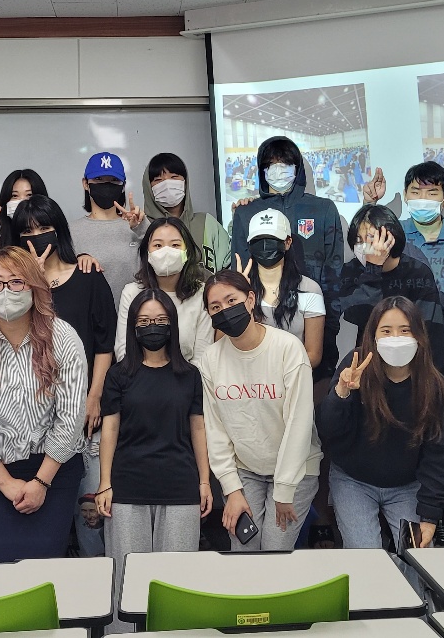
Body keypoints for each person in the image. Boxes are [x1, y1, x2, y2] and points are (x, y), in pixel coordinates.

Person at [333, 203, 444, 545]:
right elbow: (357, 314)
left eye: (374, 237)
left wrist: (428, 380)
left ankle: (437, 521)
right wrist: (372, 269)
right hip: (369, 369)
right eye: (360, 239)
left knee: (425, 441)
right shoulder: (353, 270)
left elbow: (430, 329)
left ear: (392, 236)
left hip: (415, 370)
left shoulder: (417, 270)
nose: (367, 245)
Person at [0, 247, 88, 562]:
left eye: (16, 282)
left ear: (35, 286)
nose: (5, 291)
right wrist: (6, 484)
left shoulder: (63, 338)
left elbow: (70, 420)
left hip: (53, 470)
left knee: (43, 569)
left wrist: (40, 482)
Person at [9, 196, 117, 558]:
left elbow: (104, 344)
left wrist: (94, 396)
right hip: (35, 420)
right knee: (46, 515)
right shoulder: (15, 289)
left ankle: (98, 584)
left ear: (59, 230)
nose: (37, 237)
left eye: (44, 228)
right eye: (27, 232)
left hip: (86, 415)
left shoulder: (88, 276)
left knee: (91, 514)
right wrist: (32, 280)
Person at [95, 289, 210, 618]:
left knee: (177, 583)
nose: (153, 327)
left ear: (172, 324)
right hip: (128, 487)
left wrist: (204, 481)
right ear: (132, 327)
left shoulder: (190, 375)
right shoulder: (118, 375)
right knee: (126, 582)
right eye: (144, 321)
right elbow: (110, 430)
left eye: (160, 320)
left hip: (180, 487)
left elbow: (198, 428)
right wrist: (104, 483)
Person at [317, 297, 444, 550]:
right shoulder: (356, 365)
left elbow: (441, 455)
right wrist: (341, 393)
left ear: (419, 335)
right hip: (353, 480)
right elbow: (328, 430)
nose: (395, 338)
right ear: (373, 335)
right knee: (366, 556)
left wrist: (429, 516)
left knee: (416, 556)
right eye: (386, 331)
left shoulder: (435, 387)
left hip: (408, 486)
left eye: (405, 330)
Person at [197, 270, 322, 552]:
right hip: (246, 470)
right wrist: (231, 489)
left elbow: (299, 423)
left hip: (295, 470)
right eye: (215, 307)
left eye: (232, 300)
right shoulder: (210, 360)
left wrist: (285, 489)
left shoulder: (288, 348)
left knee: (274, 551)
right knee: (244, 548)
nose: (225, 310)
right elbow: (215, 431)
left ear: (251, 299)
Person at [229, 136, 346, 377]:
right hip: (260, 326)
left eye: (285, 163)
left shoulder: (323, 209)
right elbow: (239, 272)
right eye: (271, 164)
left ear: (297, 168)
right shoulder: (246, 212)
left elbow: (334, 271)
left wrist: (329, 328)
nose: (278, 170)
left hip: (313, 324)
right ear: (262, 170)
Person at [365, 163, 444, 307]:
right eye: (415, 192)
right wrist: (369, 204)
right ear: (405, 195)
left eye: (432, 193)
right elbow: (365, 245)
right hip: (402, 320)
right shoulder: (391, 234)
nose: (422, 200)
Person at [115, 218, 214, 363]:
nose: (166, 251)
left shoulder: (201, 293)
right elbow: (123, 351)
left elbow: (202, 356)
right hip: (137, 376)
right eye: (158, 245)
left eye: (175, 245)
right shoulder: (131, 293)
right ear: (147, 252)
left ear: (187, 252)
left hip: (187, 375)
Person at [237, 211, 324, 370]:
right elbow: (222, 343)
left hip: (292, 377)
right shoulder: (239, 289)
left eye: (272, 240)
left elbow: (313, 355)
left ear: (288, 242)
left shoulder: (310, 290)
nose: (265, 246)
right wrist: (236, 296)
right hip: (245, 377)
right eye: (258, 241)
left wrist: (276, 374)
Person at [69, 151, 149, 304]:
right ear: (85, 183)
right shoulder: (70, 231)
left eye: (114, 180)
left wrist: (142, 226)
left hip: (135, 315)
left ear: (123, 186)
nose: (106, 185)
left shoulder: (137, 226)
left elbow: (160, 259)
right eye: (98, 179)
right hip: (89, 316)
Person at [141, 152, 231, 272]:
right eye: (158, 180)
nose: (167, 184)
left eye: (174, 177)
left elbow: (231, 262)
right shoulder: (142, 227)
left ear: (185, 181)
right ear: (148, 186)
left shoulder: (206, 222)